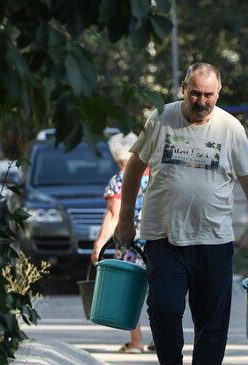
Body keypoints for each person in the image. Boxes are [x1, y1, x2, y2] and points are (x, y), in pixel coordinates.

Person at [113, 62, 248, 365]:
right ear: (183, 90)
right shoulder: (162, 117)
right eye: (195, 94)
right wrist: (125, 218)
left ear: (219, 93)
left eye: (208, 95)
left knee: (212, 326)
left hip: (213, 241)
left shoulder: (231, 129)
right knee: (163, 309)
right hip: (164, 239)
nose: (202, 102)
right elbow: (135, 166)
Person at [90, 132, 153, 354]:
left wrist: (99, 244)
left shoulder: (119, 180)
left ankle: (136, 342)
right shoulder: (155, 174)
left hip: (130, 243)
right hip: (157, 240)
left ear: (117, 158)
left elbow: (114, 216)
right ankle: (162, 339)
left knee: (131, 290)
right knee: (159, 290)